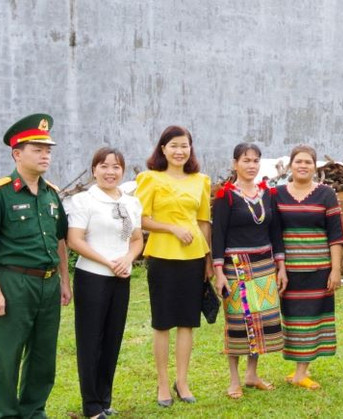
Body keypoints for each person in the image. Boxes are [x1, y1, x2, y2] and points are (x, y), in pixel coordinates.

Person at [0, 114, 72, 418]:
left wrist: (65, 281)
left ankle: (33, 410)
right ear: (17, 153)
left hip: (48, 283)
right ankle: (5, 414)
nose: (45, 155)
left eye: (48, 149)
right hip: (14, 282)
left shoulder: (51, 194)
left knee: (43, 354)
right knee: (7, 353)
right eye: (37, 149)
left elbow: (60, 239)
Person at [135, 126, 212, 407]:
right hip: (163, 257)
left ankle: (182, 380)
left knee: (187, 323)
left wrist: (208, 260)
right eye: (174, 146)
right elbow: (141, 219)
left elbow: (204, 222)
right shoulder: (149, 178)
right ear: (163, 149)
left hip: (193, 258)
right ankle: (163, 384)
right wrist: (171, 228)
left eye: (185, 146)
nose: (180, 151)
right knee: (163, 322)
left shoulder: (201, 181)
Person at [65, 147, 144, 418]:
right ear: (94, 170)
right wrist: (107, 261)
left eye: (116, 167)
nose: (110, 172)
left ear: (123, 170)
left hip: (120, 277)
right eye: (104, 166)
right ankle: (91, 405)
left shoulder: (131, 201)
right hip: (92, 277)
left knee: (112, 338)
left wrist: (128, 259)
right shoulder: (84, 201)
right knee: (90, 341)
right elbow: (75, 240)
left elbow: (136, 239)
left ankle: (104, 398)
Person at [211, 143, 286, 398]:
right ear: (235, 164)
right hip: (236, 267)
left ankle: (252, 374)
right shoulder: (226, 196)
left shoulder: (267, 194)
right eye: (246, 160)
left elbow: (275, 232)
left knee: (260, 321)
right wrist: (219, 272)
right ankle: (234, 379)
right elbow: (218, 235)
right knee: (238, 322)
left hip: (264, 266)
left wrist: (281, 266)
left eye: (255, 161)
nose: (251, 165)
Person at [275, 145, 343, 390]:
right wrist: (278, 266)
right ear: (290, 165)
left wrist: (335, 270)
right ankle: (298, 369)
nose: (303, 165)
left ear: (314, 167)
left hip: (319, 269)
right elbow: (274, 234)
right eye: (298, 161)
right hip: (288, 270)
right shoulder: (278, 194)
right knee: (293, 318)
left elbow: (336, 235)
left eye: (307, 162)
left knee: (314, 318)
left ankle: (301, 372)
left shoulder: (326, 194)